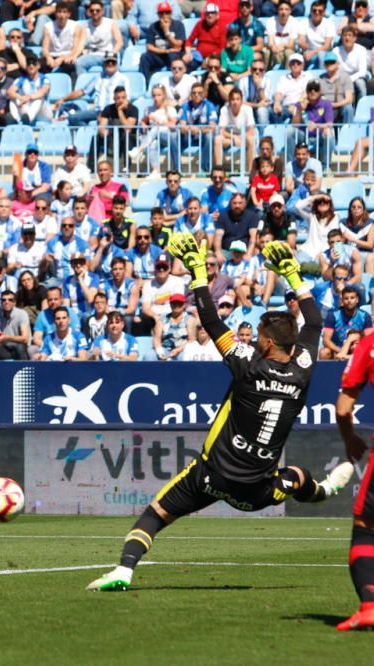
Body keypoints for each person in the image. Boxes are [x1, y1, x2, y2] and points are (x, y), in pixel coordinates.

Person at [87, 235, 354, 592]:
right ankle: (321, 491)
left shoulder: (248, 366)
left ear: (269, 343)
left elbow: (212, 322)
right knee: (295, 476)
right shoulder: (303, 368)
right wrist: (291, 274)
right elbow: (315, 322)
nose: (254, 340)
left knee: (156, 513)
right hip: (257, 493)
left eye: (258, 335)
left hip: (211, 477)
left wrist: (198, 271)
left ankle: (124, 569)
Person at [333, 326, 374, 629]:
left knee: (366, 528)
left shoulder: (369, 344)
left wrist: (350, 440)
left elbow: (343, 408)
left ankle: (370, 606)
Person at [320, 285, 371, 359]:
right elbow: (326, 340)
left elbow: (369, 339)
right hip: (337, 349)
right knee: (324, 352)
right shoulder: (333, 315)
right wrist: (341, 351)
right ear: (342, 301)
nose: (349, 300)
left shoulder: (365, 316)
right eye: (346, 298)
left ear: (357, 300)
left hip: (357, 350)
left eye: (352, 298)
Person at [0, 289, 31, 359]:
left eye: (10, 300)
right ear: (1, 302)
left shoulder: (22, 314)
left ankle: (23, 368)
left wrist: (6, 338)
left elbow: (25, 338)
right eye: (4, 300)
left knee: (20, 347)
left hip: (21, 348)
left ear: (15, 302)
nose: (6, 302)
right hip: (5, 347)